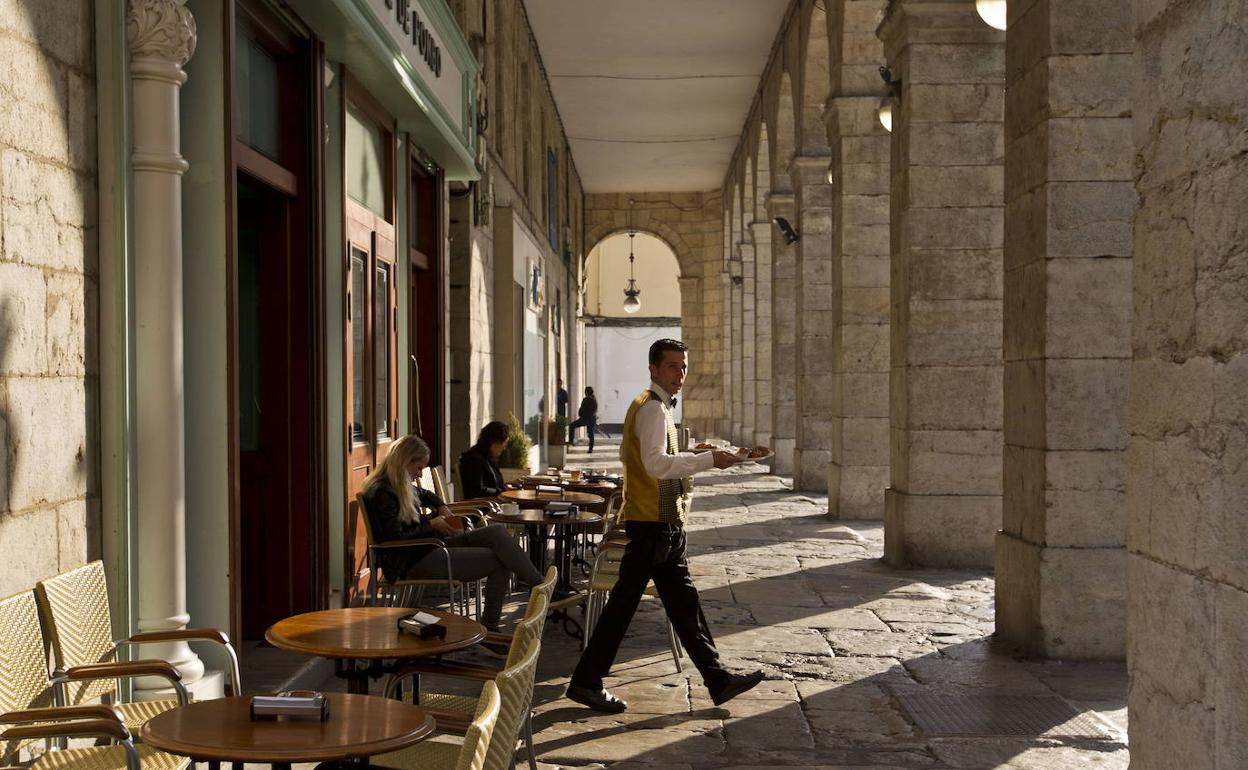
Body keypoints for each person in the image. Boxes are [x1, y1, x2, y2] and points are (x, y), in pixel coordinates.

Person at [565, 339, 765, 712]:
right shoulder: (654, 410)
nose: (681, 374)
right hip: (653, 525)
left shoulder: (654, 407)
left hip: (661, 526)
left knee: (682, 607)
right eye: (673, 366)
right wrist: (708, 461)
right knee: (624, 606)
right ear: (653, 369)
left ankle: (717, 679)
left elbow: (659, 459)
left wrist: (697, 454)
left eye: (684, 367)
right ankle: (586, 681)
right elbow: (656, 466)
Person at [360, 434, 543, 632]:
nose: (420, 475)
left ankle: (538, 584)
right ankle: (494, 623)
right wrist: (432, 524)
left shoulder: (398, 484)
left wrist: (440, 506)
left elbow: (425, 494)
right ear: (404, 461)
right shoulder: (383, 493)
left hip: (428, 547)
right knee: (499, 561)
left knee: (496, 532)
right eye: (419, 468)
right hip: (411, 561)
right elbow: (394, 538)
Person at [458, 421, 509, 500]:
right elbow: (476, 490)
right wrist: (499, 492)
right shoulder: (474, 460)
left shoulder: (488, 457)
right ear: (494, 442)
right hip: (484, 506)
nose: (504, 448)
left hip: (493, 503)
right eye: (504, 444)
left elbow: (497, 484)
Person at [568, 386, 600, 452]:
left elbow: (581, 410)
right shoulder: (595, 400)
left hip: (585, 418)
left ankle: (571, 441)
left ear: (586, 392)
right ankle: (590, 448)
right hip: (592, 419)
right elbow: (595, 410)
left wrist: (581, 414)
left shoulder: (586, 399)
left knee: (572, 425)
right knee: (591, 433)